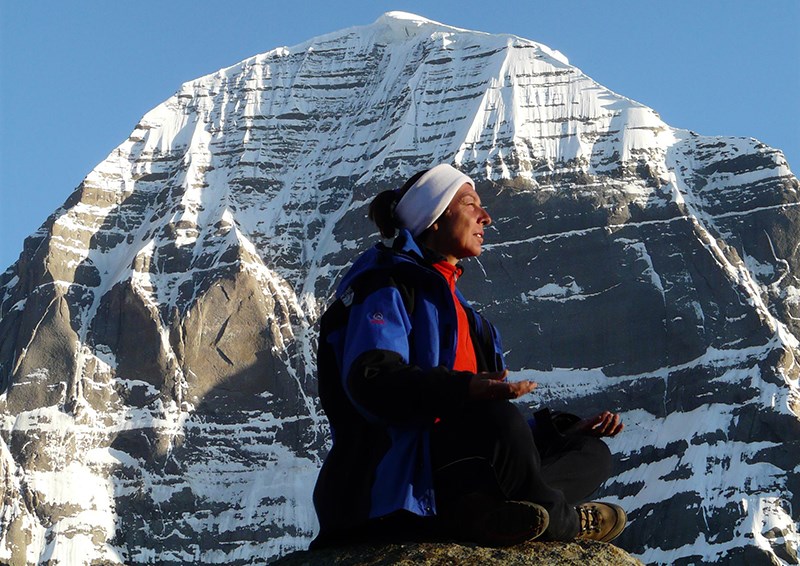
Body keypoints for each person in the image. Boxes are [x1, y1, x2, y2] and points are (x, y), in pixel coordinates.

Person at [311, 163, 626, 548]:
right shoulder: (386, 286)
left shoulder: (471, 320)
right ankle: (565, 523)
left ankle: (486, 515)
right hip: (398, 479)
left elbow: (486, 431)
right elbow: (372, 380)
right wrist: (465, 388)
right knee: (497, 417)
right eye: (470, 204)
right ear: (437, 218)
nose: (486, 217)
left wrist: (554, 431)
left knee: (590, 452)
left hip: (460, 466)